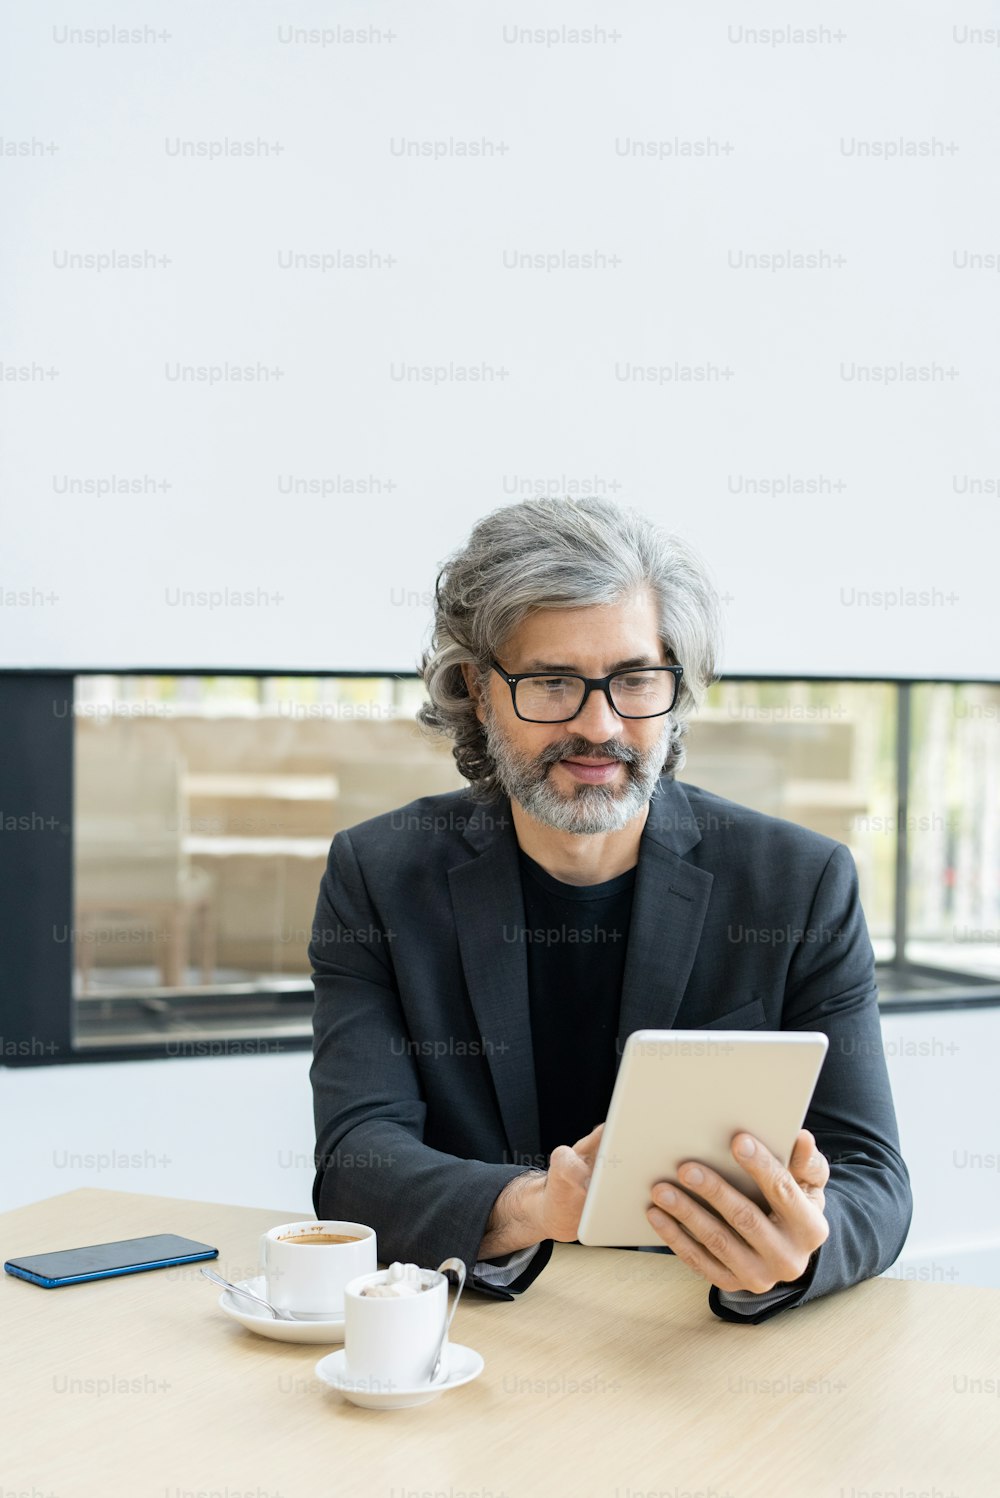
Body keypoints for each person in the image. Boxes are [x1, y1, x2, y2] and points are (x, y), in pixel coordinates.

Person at [309, 496, 911, 1323]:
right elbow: (354, 1162)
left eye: (634, 680)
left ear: (676, 688)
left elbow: (873, 1177)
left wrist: (794, 1249)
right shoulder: (378, 876)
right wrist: (538, 1206)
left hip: (697, 1341)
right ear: (480, 692)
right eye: (553, 682)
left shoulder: (798, 885)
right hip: (475, 1337)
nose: (600, 726)